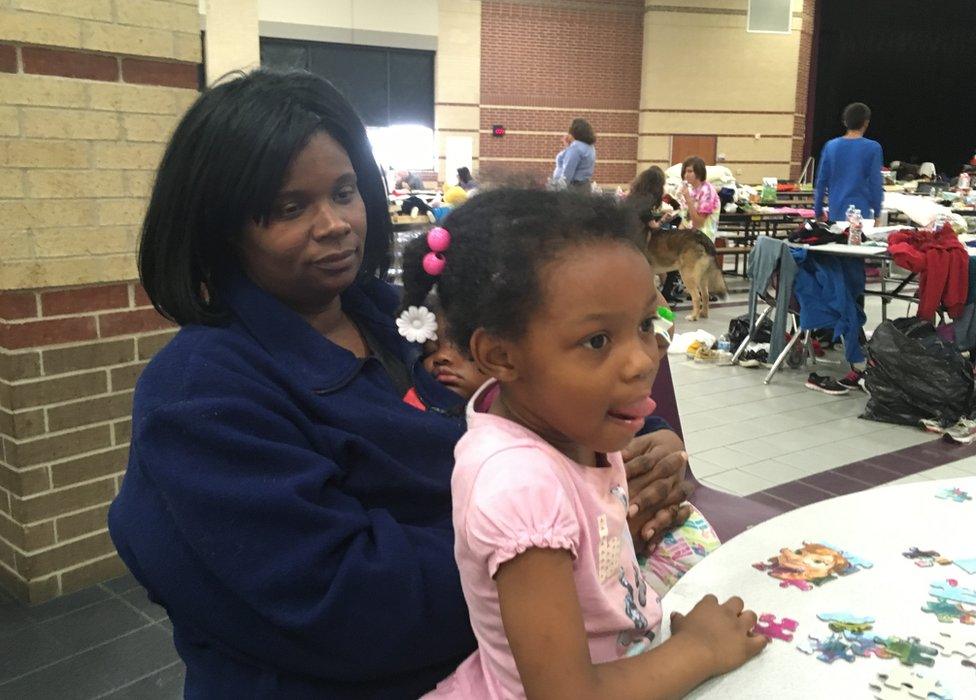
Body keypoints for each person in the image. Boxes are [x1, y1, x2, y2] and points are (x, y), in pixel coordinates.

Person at [107, 69, 698, 698]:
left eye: (343, 191)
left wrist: (648, 444)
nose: (333, 223)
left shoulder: (403, 317)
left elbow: (541, 383)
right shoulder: (201, 395)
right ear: (220, 228)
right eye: (288, 207)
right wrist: (573, 535)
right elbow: (347, 606)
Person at [405, 189, 763, 698]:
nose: (641, 360)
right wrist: (699, 649)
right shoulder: (518, 487)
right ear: (501, 355)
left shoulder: (570, 423)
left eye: (644, 325)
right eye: (597, 340)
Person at [813, 102, 884, 223]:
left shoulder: (831, 146)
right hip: (861, 213)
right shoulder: (873, 148)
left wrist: (818, 211)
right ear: (866, 123)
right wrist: (877, 212)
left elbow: (821, 181)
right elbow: (875, 183)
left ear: (845, 122)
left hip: (836, 210)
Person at [628, 166, 682, 304]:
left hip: (628, 242)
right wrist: (664, 219)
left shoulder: (632, 197)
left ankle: (663, 293)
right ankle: (660, 296)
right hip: (640, 245)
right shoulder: (645, 203)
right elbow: (654, 226)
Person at [678, 156, 720, 241]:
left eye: (690, 171)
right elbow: (686, 219)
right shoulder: (691, 189)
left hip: (703, 240)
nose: (686, 175)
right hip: (689, 237)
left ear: (699, 172)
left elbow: (698, 223)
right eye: (685, 172)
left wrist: (688, 199)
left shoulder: (708, 192)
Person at [561, 117, 597, 193]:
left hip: (574, 188)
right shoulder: (590, 147)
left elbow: (567, 175)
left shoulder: (575, 148)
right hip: (586, 186)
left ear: (573, 133)